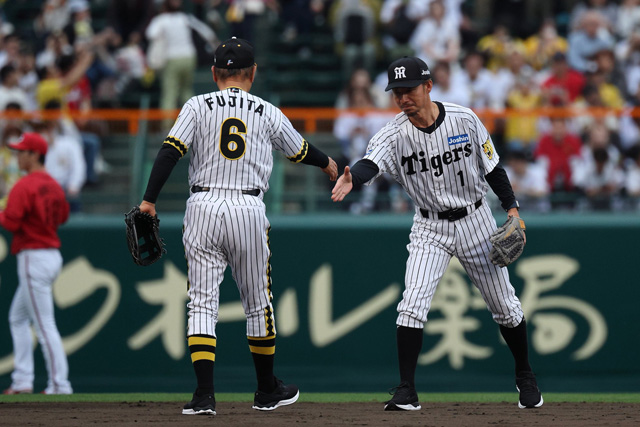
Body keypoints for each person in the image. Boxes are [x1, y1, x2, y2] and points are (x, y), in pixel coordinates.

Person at [138, 37, 338, 415]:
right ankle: (266, 390)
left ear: (214, 73)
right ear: (253, 73)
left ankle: (204, 396)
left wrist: (149, 200)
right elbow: (299, 151)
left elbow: (170, 151)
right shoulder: (268, 111)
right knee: (258, 303)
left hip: (202, 205)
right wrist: (327, 163)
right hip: (247, 207)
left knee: (201, 303)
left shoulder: (197, 105)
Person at [331, 56, 543, 410]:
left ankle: (525, 375)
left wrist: (512, 208)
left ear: (428, 86)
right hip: (430, 226)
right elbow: (371, 162)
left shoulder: (465, 118)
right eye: (396, 92)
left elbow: (493, 168)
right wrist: (356, 177)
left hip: (475, 220)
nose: (403, 98)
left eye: (409, 90)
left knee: (506, 307)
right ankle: (407, 390)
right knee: (411, 306)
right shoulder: (393, 134)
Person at [0, 132, 72, 395]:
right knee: (18, 317)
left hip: (34, 256)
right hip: (50, 255)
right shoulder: (54, 185)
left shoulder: (25, 185)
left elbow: (11, 222)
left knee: (44, 325)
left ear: (34, 155)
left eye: (22, 152)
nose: (17, 156)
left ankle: (59, 384)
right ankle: (22, 380)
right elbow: (63, 217)